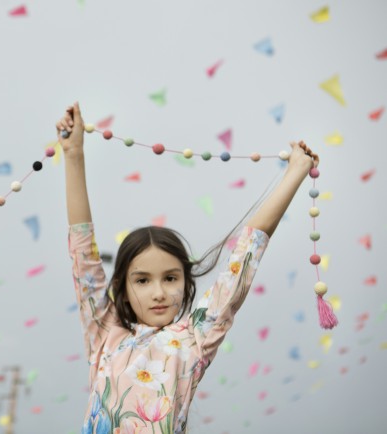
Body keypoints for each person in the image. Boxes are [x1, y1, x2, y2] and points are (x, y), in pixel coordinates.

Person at [57, 102, 319, 433]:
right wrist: (74, 154)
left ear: (185, 281)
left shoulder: (196, 338)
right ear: (122, 286)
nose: (159, 292)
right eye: (142, 281)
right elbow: (82, 249)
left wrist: (296, 170)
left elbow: (245, 256)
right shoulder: (104, 332)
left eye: (170, 278)